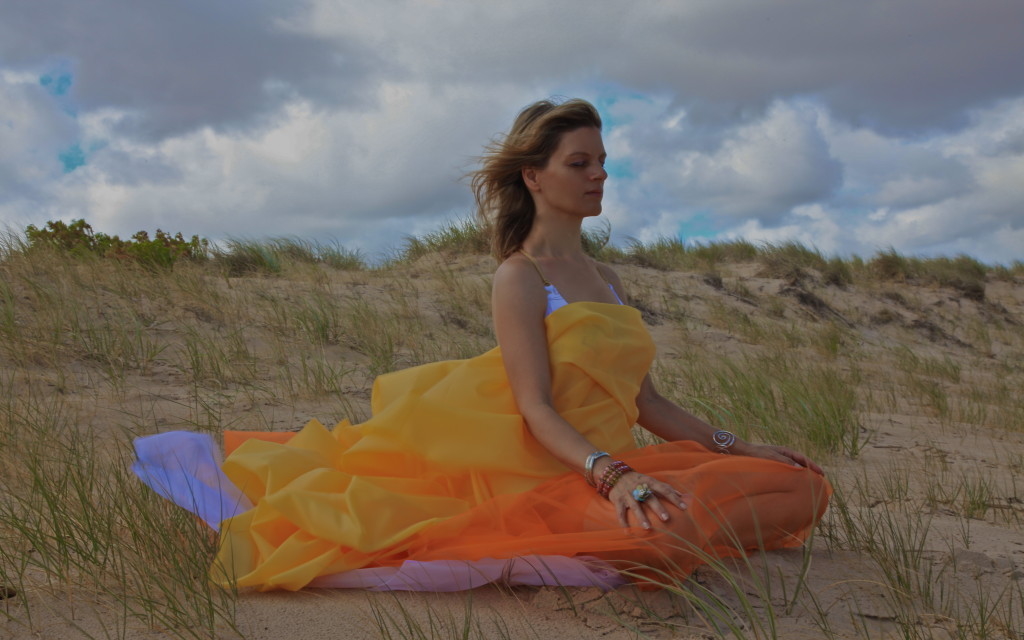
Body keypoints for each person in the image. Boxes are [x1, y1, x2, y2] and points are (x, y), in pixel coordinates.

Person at [133, 99, 830, 592]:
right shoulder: (520, 278)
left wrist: (738, 447)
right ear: (534, 175)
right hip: (548, 468)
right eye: (579, 162)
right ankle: (646, 524)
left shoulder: (608, 277)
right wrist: (615, 476)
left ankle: (667, 515)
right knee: (666, 540)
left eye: (602, 162)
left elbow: (646, 400)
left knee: (805, 485)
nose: (598, 175)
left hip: (616, 457)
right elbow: (535, 409)